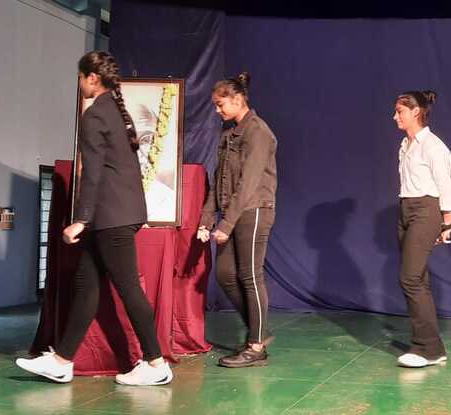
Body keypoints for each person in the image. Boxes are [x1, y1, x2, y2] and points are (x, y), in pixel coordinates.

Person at [16, 51, 172, 386]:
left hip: (110, 215)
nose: (79, 83)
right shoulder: (116, 112)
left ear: (92, 78)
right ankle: (62, 361)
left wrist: (81, 219)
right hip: (117, 214)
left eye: (80, 77)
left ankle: (157, 363)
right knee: (86, 284)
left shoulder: (96, 114)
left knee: (128, 288)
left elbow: (93, 173)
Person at [198, 72, 278, 368]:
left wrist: (226, 225)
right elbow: (219, 180)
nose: (217, 111)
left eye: (220, 105)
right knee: (225, 274)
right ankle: (260, 332)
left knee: (250, 275)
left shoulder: (258, 132)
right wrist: (207, 219)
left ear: (237, 99)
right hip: (234, 211)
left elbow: (248, 183)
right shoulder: (228, 135)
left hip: (254, 209)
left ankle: (255, 346)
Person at [391, 90, 451, 368]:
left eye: (400, 111)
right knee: (419, 279)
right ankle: (433, 347)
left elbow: (445, 185)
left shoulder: (434, 146)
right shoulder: (405, 145)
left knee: (410, 279)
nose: (395, 116)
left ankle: (427, 348)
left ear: (415, 112)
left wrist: (446, 222)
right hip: (406, 208)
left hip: (426, 210)